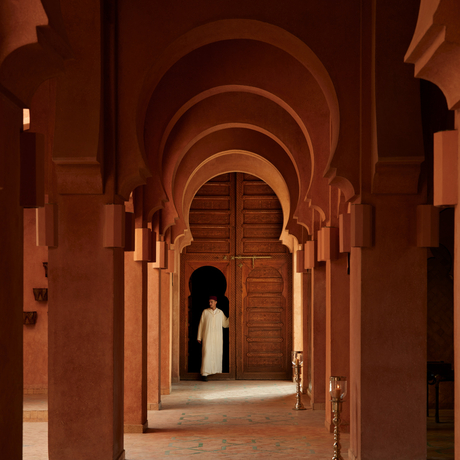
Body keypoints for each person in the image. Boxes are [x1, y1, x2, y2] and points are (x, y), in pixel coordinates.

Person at [197, 295, 229, 381]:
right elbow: (201, 324)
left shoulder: (220, 313)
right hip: (207, 337)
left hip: (217, 338)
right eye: (209, 302)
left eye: (211, 302)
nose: (210, 303)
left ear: (216, 302)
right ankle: (205, 374)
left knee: (217, 353)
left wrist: (232, 317)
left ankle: (217, 372)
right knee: (207, 353)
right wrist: (199, 337)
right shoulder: (205, 312)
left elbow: (225, 324)